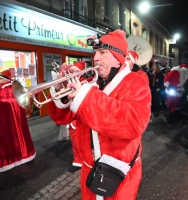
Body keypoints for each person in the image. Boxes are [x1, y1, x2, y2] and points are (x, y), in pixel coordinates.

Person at [48, 30, 151, 199]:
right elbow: (63, 118)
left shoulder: (135, 83)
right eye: (95, 53)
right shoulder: (91, 83)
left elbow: (132, 124)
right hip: (89, 170)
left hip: (118, 173)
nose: (95, 58)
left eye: (102, 53)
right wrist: (62, 92)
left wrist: (85, 97)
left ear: (118, 58)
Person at [0, 69, 36, 175]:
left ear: (4, 79)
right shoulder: (0, 89)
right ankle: (18, 158)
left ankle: (19, 159)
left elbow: (7, 101)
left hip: (8, 121)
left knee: (10, 139)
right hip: (6, 121)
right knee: (15, 138)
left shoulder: (11, 88)